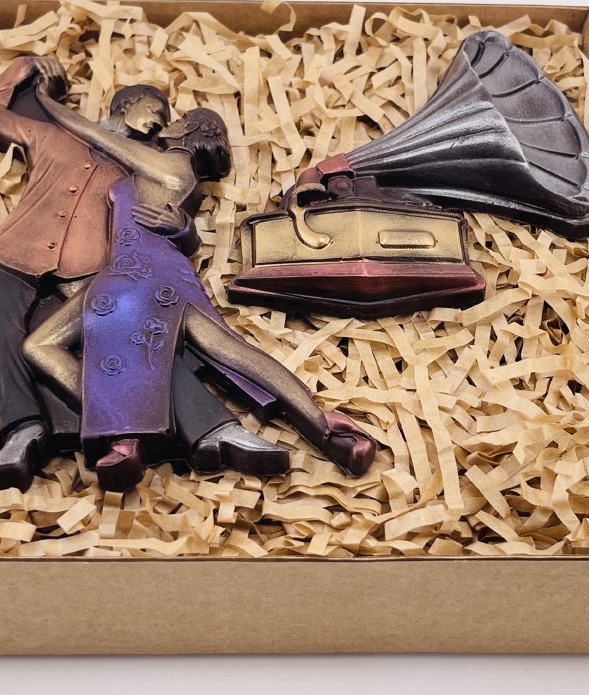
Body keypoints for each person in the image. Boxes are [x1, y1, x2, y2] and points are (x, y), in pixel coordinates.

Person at [22, 96, 376, 491]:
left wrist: (45, 101)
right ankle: (325, 427)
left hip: (141, 272)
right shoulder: (176, 173)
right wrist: (184, 229)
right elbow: (177, 230)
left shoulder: (172, 165)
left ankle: (123, 433)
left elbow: (91, 133)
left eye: (177, 119)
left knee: (44, 345)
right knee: (227, 349)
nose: (166, 123)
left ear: (188, 130)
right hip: (147, 268)